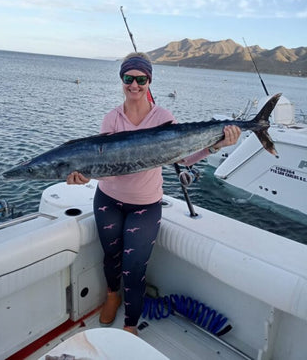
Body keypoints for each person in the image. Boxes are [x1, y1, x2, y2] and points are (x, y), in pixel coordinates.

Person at [66, 52, 241, 336]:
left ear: (149, 81)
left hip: (145, 204)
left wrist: (215, 146)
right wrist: (85, 176)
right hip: (108, 199)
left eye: (141, 79)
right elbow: (107, 167)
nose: (134, 85)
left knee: (134, 265)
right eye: (128, 78)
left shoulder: (163, 117)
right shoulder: (112, 118)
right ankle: (113, 296)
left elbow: (181, 159)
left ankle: (131, 322)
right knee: (111, 256)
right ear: (121, 79)